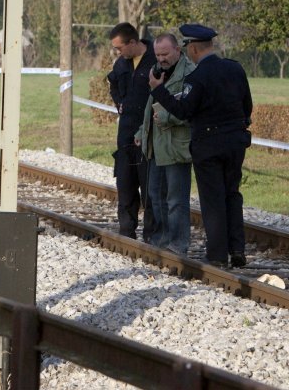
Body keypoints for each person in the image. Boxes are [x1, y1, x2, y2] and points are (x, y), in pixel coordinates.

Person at [148, 24, 252, 268]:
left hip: (208, 144)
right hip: (236, 141)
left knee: (213, 199)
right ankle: (237, 248)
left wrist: (158, 90)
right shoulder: (236, 69)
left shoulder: (197, 77)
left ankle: (217, 255)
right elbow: (247, 105)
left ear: (192, 48)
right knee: (232, 194)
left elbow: (183, 111)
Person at [135, 34, 194, 255]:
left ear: (178, 50)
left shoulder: (189, 74)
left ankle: (179, 244)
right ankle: (161, 240)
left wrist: (168, 118)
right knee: (155, 196)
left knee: (176, 199)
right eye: (158, 54)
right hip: (155, 145)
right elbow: (150, 106)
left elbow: (190, 110)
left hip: (176, 146)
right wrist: (142, 131)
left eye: (165, 54)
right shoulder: (156, 71)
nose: (161, 59)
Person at [107, 22, 156, 242]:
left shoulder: (156, 59)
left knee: (149, 186)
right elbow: (114, 84)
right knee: (125, 183)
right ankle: (126, 230)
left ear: (133, 42)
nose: (118, 52)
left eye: (120, 48)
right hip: (126, 133)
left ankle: (152, 234)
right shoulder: (122, 64)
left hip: (149, 133)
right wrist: (119, 103)